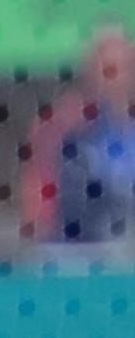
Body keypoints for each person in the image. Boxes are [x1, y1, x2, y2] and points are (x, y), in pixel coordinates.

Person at [22, 27, 135, 243]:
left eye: (122, 67)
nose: (114, 78)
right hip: (77, 250)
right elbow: (38, 201)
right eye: (106, 69)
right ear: (90, 70)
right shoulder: (62, 125)